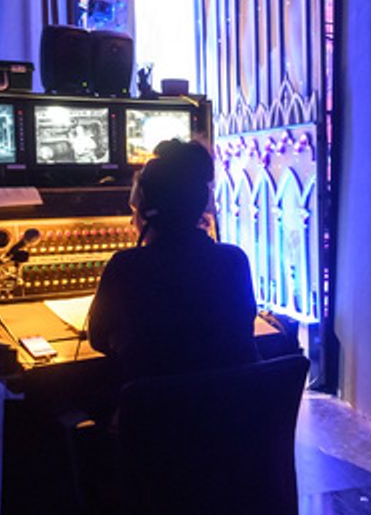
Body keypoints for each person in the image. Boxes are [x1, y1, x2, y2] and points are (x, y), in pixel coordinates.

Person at [88, 140, 258, 381]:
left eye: (134, 210)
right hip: (226, 412)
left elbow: (98, 340)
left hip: (156, 415)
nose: (131, 220)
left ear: (149, 212)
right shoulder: (234, 260)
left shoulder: (126, 267)